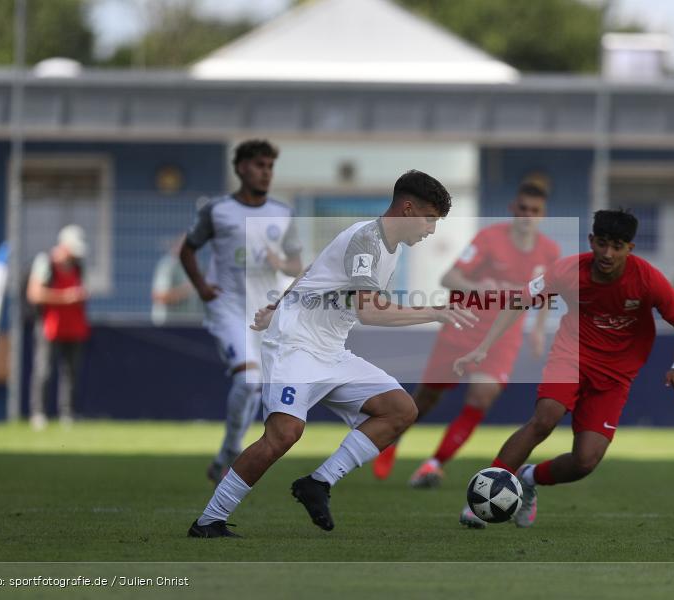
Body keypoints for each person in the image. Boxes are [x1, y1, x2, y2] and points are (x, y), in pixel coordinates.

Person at [187, 170, 477, 537]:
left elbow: (314, 270)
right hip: (295, 344)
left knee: (400, 410)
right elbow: (368, 311)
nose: (431, 230)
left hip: (330, 350)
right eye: (430, 219)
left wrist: (276, 304)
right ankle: (209, 521)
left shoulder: (385, 248)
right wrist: (433, 313)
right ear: (407, 209)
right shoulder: (367, 240)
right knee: (284, 434)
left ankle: (318, 483)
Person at [453, 209, 674, 528]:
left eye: (618, 246)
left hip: (614, 376)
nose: (608, 253)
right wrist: (484, 346)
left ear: (629, 249)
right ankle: (482, 499)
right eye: (603, 243)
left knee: (585, 461)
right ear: (592, 240)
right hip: (572, 356)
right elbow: (519, 301)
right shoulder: (567, 271)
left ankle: (528, 479)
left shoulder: (648, 280)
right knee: (545, 418)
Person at [372, 182, 560, 487]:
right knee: (427, 397)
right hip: (463, 327)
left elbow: (546, 292)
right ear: (514, 209)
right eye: (523, 209)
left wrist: (538, 330)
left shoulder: (549, 251)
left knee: (481, 397)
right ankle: (393, 440)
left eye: (534, 211)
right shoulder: (489, 239)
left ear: (543, 215)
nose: (527, 216)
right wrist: (477, 287)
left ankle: (433, 465)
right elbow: (448, 277)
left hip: (503, 337)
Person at [180, 139, 304, 485]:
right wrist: (203, 287)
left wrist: (282, 262)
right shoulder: (217, 211)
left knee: (258, 385)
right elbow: (188, 251)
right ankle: (232, 453)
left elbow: (296, 263)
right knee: (247, 379)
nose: (265, 172)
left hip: (264, 311)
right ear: (240, 168)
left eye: (269, 166)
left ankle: (223, 456)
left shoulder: (282, 212)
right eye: (259, 165)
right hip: (228, 306)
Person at [26, 225, 90, 431]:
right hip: (49, 324)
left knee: (70, 370)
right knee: (44, 368)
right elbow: (34, 293)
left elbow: (83, 289)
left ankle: (67, 413)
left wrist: (79, 296)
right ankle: (38, 413)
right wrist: (64, 297)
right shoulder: (45, 262)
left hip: (73, 325)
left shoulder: (79, 266)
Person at [151, 235, 202, 326]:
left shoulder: (197, 267)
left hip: (193, 325)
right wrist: (185, 290)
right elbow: (159, 296)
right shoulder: (167, 266)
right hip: (169, 324)